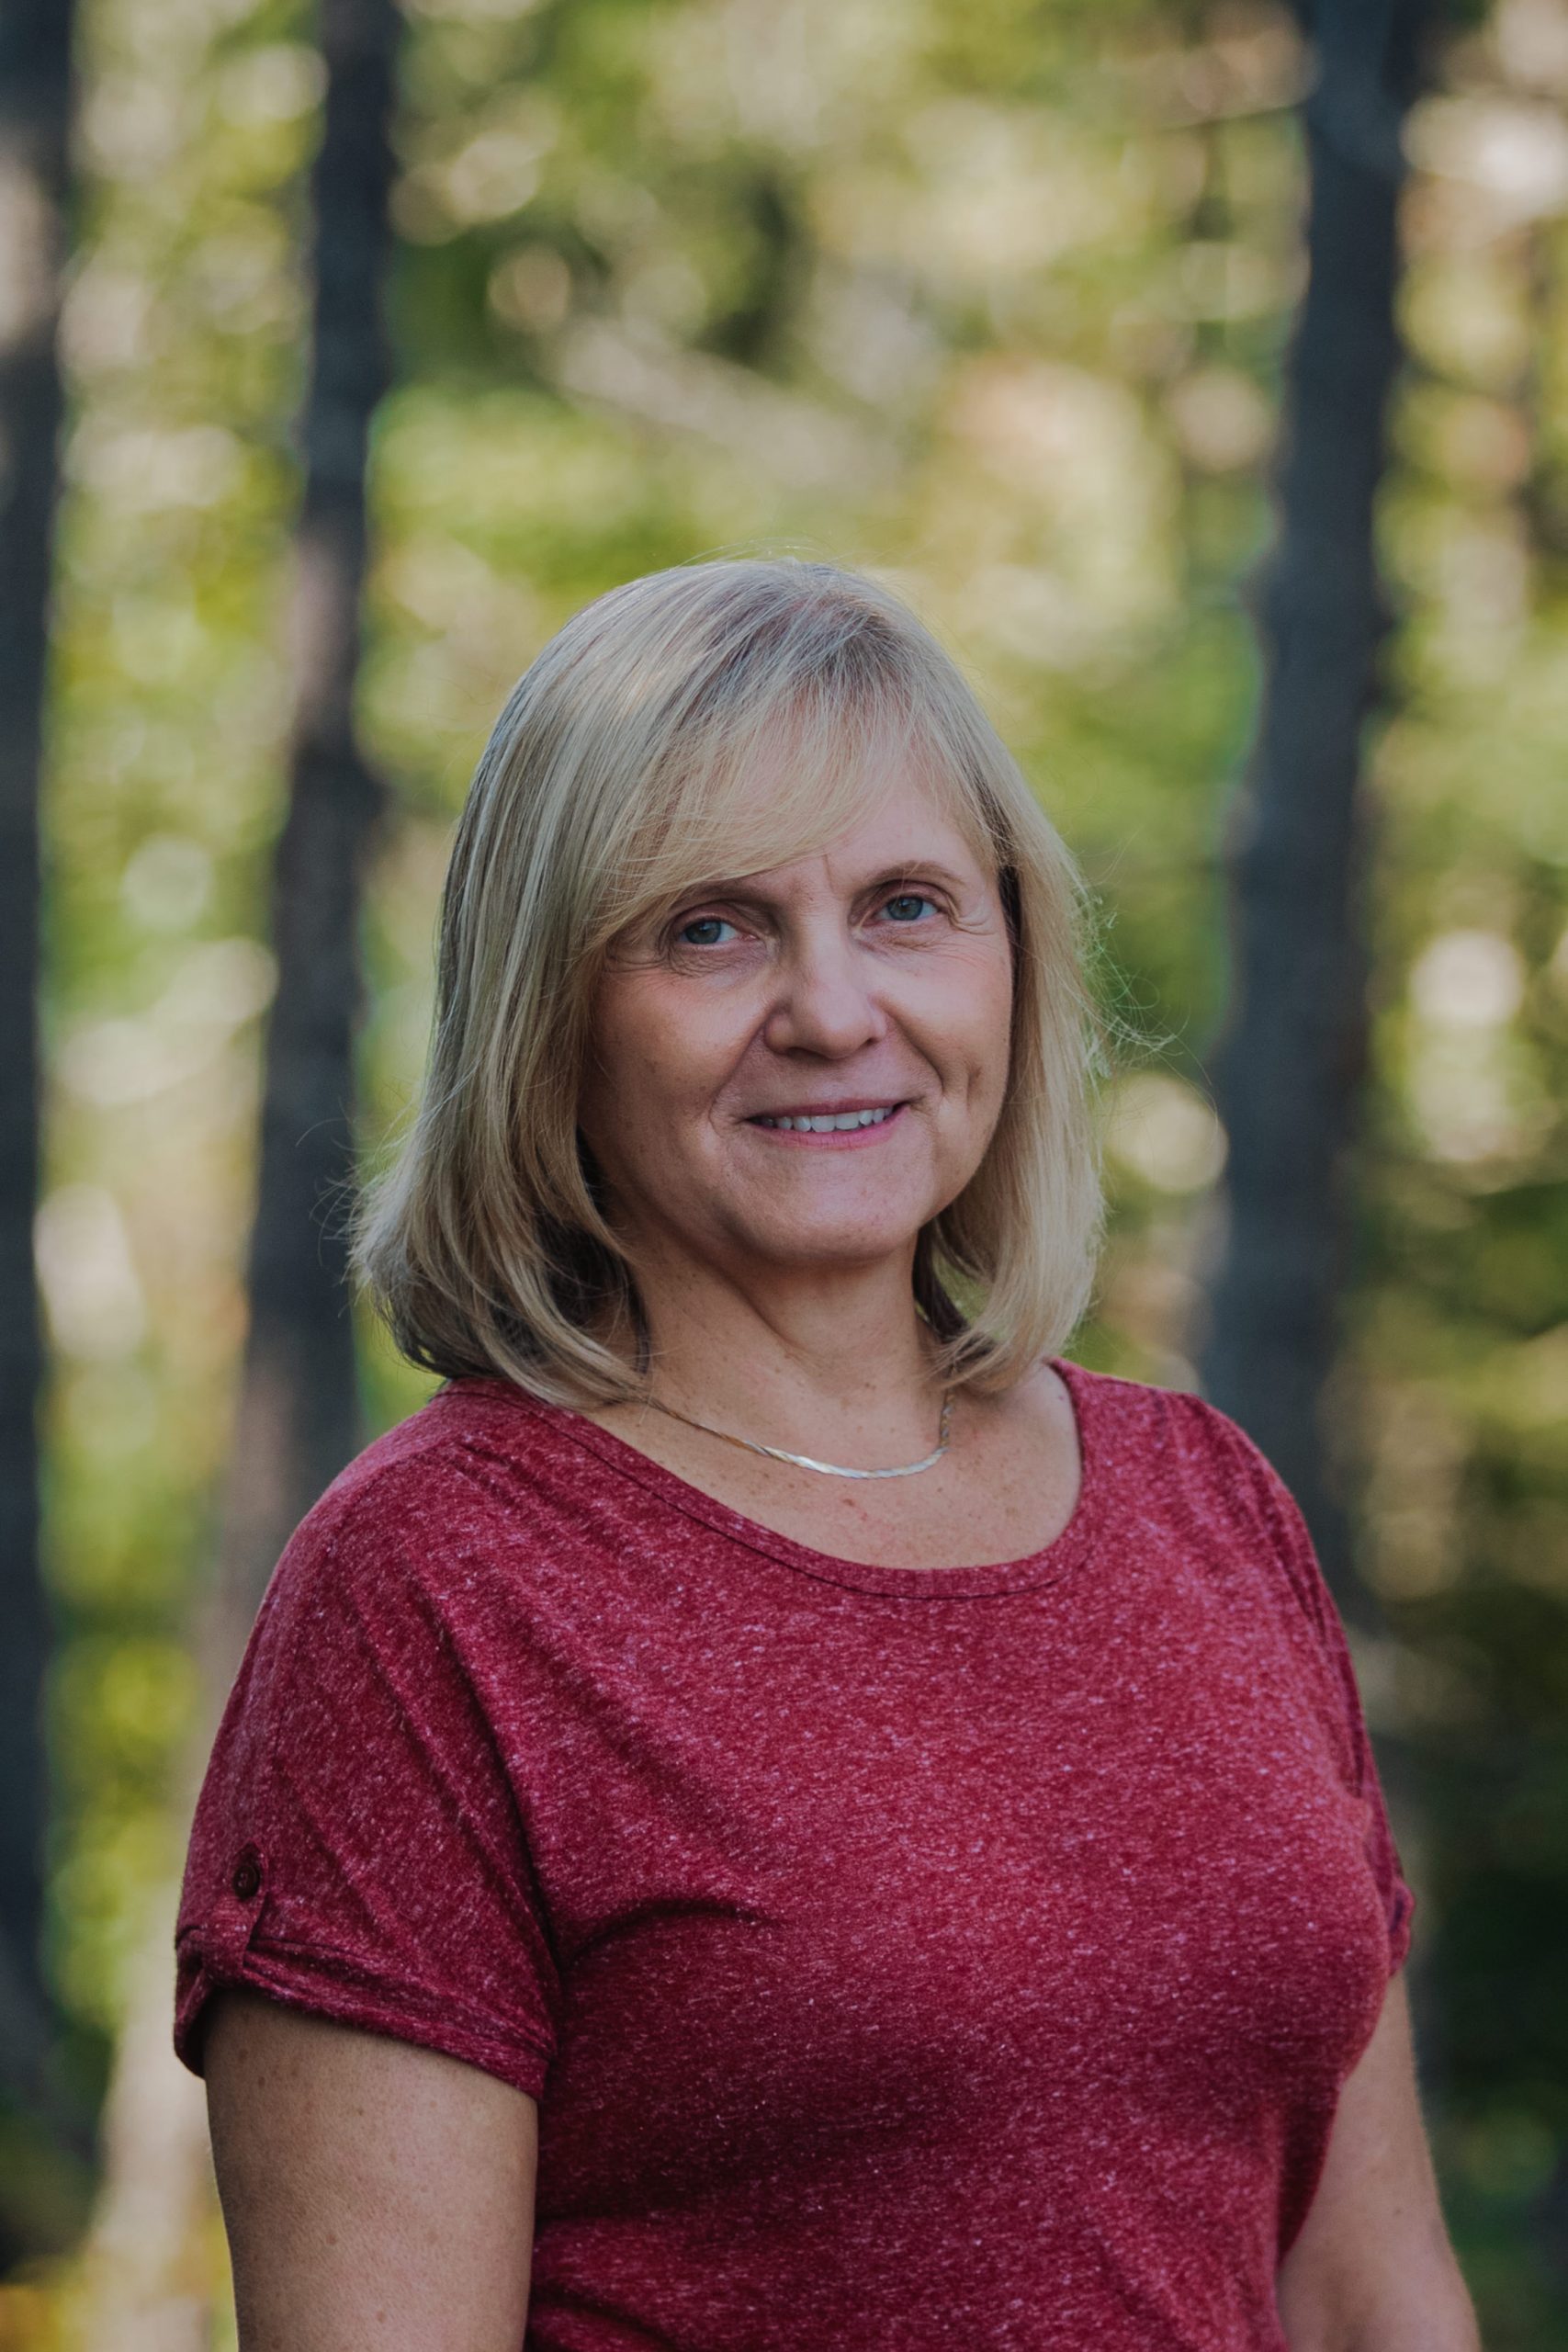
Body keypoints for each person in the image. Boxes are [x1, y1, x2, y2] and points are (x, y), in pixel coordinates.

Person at [175, 557, 1480, 2351]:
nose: (831, 1007)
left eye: (907, 906)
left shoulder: (1203, 1499)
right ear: (550, 1012)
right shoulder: (437, 1584)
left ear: (1013, 950)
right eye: (709, 928)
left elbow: (1368, 2293)